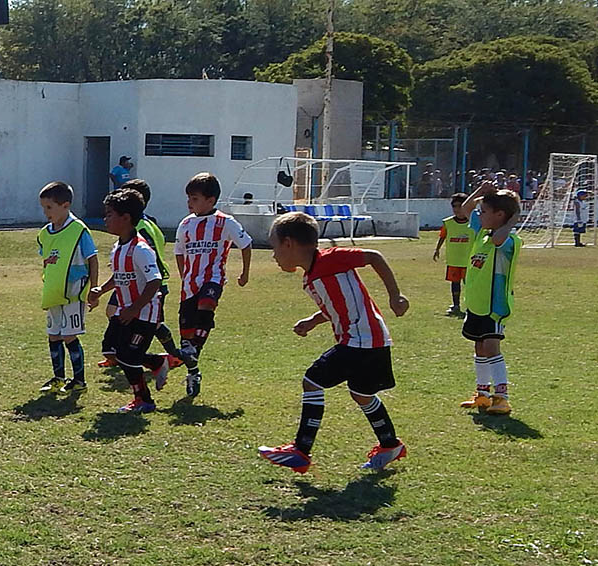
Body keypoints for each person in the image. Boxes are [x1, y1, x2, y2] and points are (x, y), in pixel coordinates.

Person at [258, 212, 410, 474]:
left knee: (313, 380)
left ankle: (301, 450)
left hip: (362, 338)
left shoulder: (330, 259)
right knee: (362, 394)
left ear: (289, 244)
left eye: (274, 247)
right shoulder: (311, 275)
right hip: (368, 339)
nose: (273, 255)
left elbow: (374, 256)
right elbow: (337, 305)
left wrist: (395, 296)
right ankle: (390, 445)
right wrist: (313, 321)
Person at [87, 190, 170, 413]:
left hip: (144, 314)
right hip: (124, 311)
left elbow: (154, 282)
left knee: (127, 355)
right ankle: (156, 362)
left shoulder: (141, 249)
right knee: (111, 350)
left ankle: (144, 400)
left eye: (109, 214)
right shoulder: (118, 248)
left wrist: (134, 308)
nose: (105, 219)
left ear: (126, 218)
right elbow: (120, 276)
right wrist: (101, 290)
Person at [173, 172, 252, 398]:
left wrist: (244, 273)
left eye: (195, 198)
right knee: (187, 335)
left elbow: (246, 244)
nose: (189, 203)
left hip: (213, 278)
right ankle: (193, 371)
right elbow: (179, 252)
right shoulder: (186, 224)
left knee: (207, 306)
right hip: (189, 285)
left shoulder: (225, 222)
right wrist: (184, 275)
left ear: (211, 200)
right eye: (188, 198)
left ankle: (191, 352)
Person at [456, 184, 522, 415]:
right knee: (479, 347)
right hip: (476, 303)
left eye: (484, 211)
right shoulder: (482, 235)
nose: (479, 214)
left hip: (494, 306)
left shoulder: (509, 239)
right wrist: (480, 192)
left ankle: (501, 397)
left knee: (492, 347)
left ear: (500, 215)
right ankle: (482, 394)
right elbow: (465, 208)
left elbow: (499, 239)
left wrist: (513, 220)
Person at [37, 181, 98, 394]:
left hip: (74, 291)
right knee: (53, 334)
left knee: (69, 335)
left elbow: (93, 258)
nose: (46, 213)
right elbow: (47, 259)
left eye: (50, 208)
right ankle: (58, 377)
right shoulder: (45, 233)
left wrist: (94, 287)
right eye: (44, 208)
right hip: (54, 291)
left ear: (65, 205)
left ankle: (79, 380)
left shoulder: (79, 230)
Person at [121, 178, 182, 365]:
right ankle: (122, 353)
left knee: (152, 323)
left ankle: (172, 356)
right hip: (146, 280)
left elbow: (150, 253)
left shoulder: (140, 227)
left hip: (151, 282)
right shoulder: (150, 222)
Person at [433, 192, 472, 316]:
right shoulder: (448, 223)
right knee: (455, 283)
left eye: (460, 206)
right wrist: (437, 249)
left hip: (470, 260)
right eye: (454, 206)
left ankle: (471, 307)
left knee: (470, 285)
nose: (457, 209)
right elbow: (443, 236)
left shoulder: (474, 223)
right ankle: (456, 305)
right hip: (454, 259)